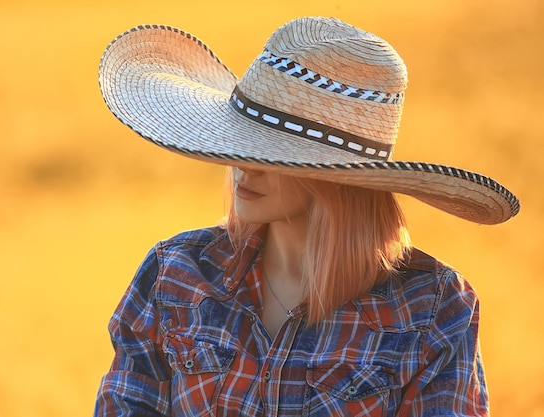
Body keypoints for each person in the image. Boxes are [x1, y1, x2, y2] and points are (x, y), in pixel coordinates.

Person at [94, 16, 519, 416]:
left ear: (337, 179)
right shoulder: (175, 274)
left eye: (273, 154)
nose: (246, 166)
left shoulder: (433, 309)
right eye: (239, 145)